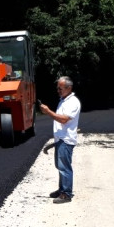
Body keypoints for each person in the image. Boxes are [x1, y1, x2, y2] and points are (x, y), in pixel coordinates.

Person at [39, 76, 81, 204]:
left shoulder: (73, 102)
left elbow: (64, 119)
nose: (58, 91)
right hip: (60, 139)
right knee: (60, 166)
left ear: (69, 88)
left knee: (64, 167)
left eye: (60, 88)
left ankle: (66, 194)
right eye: (57, 88)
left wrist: (48, 112)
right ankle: (62, 189)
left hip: (66, 139)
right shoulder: (63, 100)